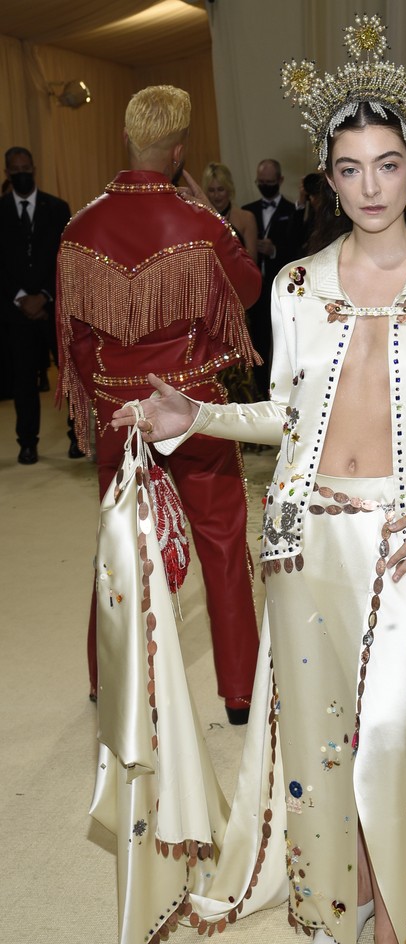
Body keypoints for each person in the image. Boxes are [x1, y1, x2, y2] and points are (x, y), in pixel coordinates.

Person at [111, 17, 406, 944]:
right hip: (305, 532)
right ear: (329, 178)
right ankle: (339, 893)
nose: (370, 186)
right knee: (323, 738)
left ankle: (395, 943)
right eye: (349, 168)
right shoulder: (295, 286)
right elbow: (286, 413)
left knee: (389, 733)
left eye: (387, 164)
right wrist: (196, 415)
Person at [56, 85, 262, 725]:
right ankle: (239, 693)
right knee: (222, 544)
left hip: (120, 415)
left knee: (120, 545)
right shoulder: (201, 225)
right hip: (194, 407)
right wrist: (211, 214)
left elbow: (76, 339)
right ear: (179, 152)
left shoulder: (79, 230)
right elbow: (248, 291)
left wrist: (106, 399)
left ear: (126, 138)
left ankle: (107, 682)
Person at [0, 146, 70, 464]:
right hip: (15, 311)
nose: (22, 174)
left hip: (53, 306)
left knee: (68, 375)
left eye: (26, 168)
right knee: (23, 380)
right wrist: (21, 298)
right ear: (7, 173)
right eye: (15, 170)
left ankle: (77, 436)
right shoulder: (1, 210)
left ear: (34, 168)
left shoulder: (57, 208)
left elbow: (65, 259)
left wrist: (44, 295)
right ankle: (27, 442)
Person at [242, 158, 300, 398]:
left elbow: (298, 250)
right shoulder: (247, 211)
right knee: (258, 342)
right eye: (261, 183)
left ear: (280, 180)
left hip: (283, 287)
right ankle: (259, 392)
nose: (265, 186)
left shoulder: (293, 210)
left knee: (285, 341)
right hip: (257, 289)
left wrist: (274, 250)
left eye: (270, 182)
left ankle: (285, 391)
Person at [202, 161, 258, 253]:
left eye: (221, 189)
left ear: (229, 188)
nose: (216, 195)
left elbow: (252, 258)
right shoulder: (202, 219)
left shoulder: (246, 218)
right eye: (211, 190)